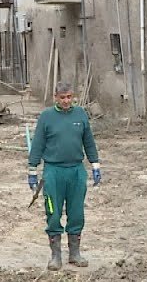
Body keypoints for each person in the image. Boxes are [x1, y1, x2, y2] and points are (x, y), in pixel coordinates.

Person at [27, 82, 101, 270]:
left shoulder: (80, 115)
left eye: (69, 97)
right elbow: (37, 144)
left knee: (76, 213)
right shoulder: (47, 117)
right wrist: (32, 170)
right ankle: (56, 255)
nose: (66, 101)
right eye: (62, 97)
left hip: (76, 171)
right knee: (53, 212)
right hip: (53, 172)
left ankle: (75, 253)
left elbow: (89, 142)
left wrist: (95, 165)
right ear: (55, 97)